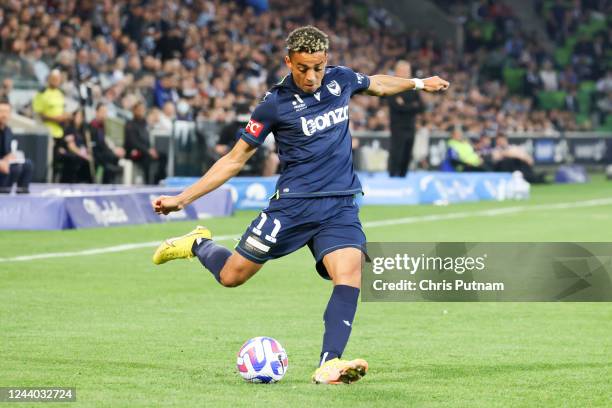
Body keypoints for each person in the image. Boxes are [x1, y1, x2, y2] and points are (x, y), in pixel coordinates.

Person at [150, 26, 449, 384]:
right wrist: (182, 199)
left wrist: (418, 83)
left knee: (350, 271)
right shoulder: (273, 104)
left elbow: (379, 84)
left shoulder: (340, 80)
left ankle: (329, 363)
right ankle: (198, 243)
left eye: (318, 67)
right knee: (232, 276)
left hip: (339, 204)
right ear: (288, 61)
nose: (312, 77)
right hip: (292, 207)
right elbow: (234, 159)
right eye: (303, 68)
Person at [216, 103, 279, 176]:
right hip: (235, 158)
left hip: (256, 158)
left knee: (273, 158)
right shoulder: (230, 127)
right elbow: (219, 148)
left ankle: (265, 183)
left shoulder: (257, 125)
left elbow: (270, 145)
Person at [386, 60, 424, 177]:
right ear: (397, 72)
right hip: (397, 126)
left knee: (408, 153)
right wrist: (412, 106)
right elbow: (396, 106)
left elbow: (422, 107)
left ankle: (404, 177)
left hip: (410, 126)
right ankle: (392, 176)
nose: (406, 73)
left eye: (407, 71)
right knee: (397, 152)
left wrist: (405, 106)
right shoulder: (392, 86)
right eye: (403, 71)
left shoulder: (413, 88)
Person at [124, 101, 166, 184]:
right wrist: (148, 151)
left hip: (146, 150)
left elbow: (147, 140)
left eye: (143, 109)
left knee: (163, 156)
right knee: (147, 158)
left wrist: (151, 149)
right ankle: (148, 183)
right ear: (134, 110)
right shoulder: (130, 124)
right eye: (139, 109)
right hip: (134, 152)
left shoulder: (144, 124)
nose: (141, 111)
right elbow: (134, 142)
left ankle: (158, 180)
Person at [0, 99, 33, 193]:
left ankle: (22, 195)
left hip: (5, 163)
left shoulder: (8, 131)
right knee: (15, 168)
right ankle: (3, 196)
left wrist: (11, 156)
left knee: (27, 164)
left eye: (7, 112)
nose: (4, 115)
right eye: (1, 111)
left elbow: (9, 151)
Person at [90, 103, 125, 184]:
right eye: (102, 111)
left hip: (104, 152)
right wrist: (112, 152)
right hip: (97, 154)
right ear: (96, 112)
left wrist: (115, 150)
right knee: (111, 157)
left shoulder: (103, 126)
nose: (104, 114)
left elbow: (106, 141)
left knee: (115, 156)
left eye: (105, 112)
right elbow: (98, 145)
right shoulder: (92, 126)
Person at [58, 111, 93, 183]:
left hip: (80, 153)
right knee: (75, 158)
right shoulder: (69, 129)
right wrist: (84, 155)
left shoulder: (82, 131)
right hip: (69, 152)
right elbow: (71, 147)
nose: (79, 119)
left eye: (81, 117)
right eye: (77, 116)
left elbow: (85, 145)